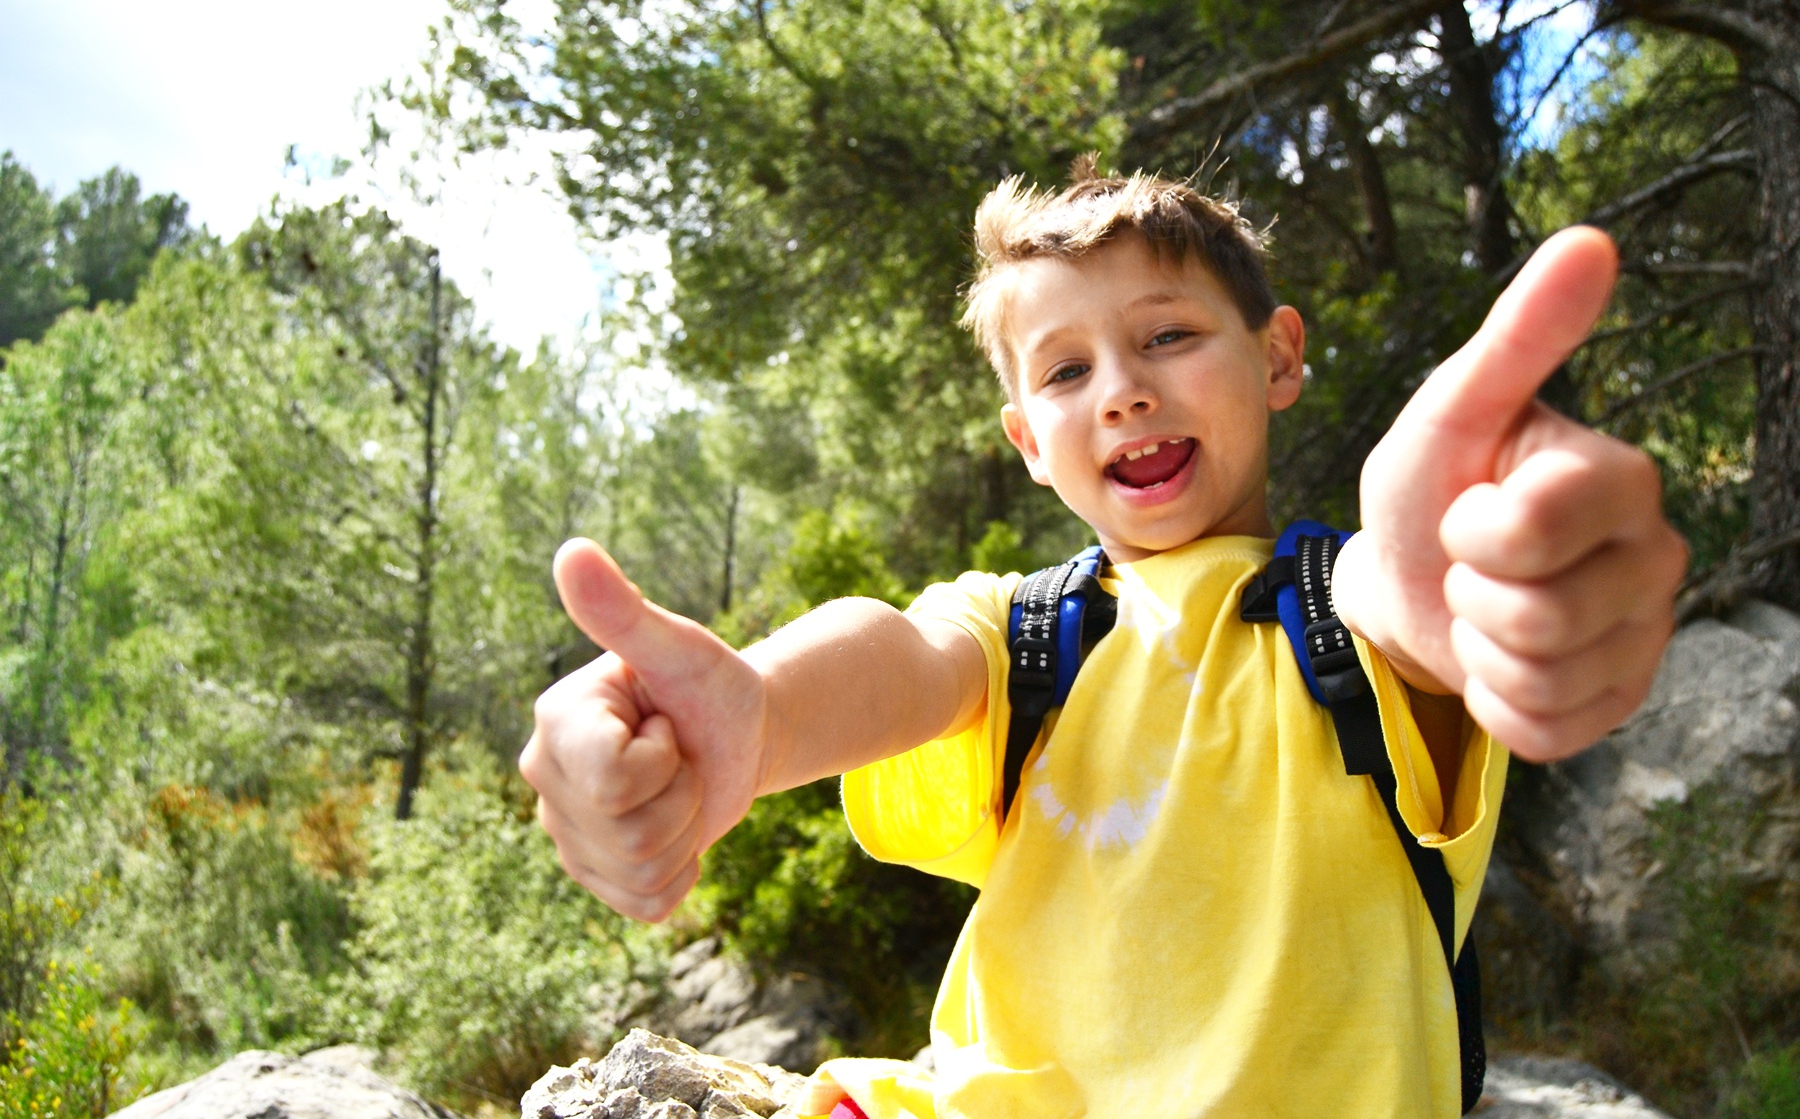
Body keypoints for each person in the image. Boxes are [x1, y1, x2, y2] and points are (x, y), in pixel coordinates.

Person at [521, 165, 1688, 1117]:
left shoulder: (1353, 618)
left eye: (1168, 335)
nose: (1121, 392)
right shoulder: (1031, 631)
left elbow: (1407, 603)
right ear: (1030, 440)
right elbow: (901, 655)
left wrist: (1493, 589)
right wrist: (761, 711)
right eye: (1068, 371)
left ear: (1278, 356)